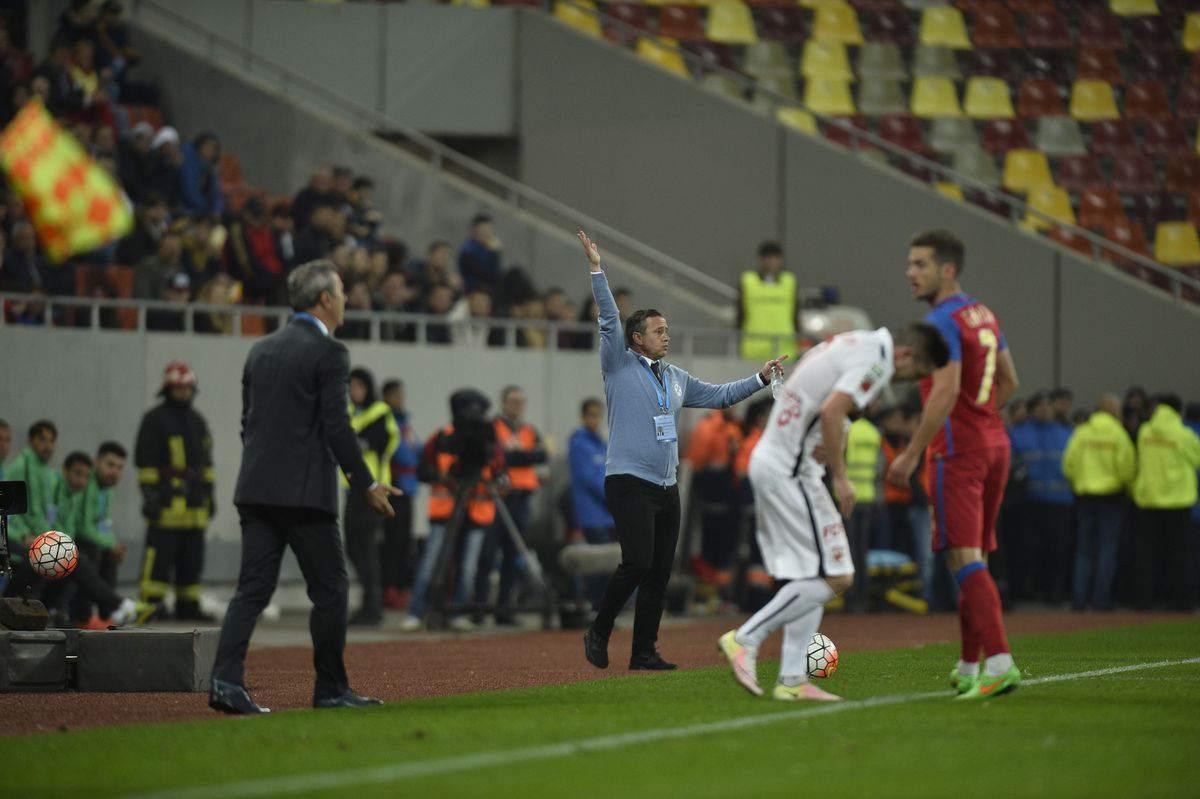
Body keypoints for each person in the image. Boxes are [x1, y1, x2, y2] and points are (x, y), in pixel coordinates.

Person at [576, 230, 785, 672]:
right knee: (636, 563)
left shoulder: (675, 377)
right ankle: (599, 629)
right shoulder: (618, 363)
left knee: (659, 572)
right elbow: (610, 318)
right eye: (658, 331)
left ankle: (643, 651)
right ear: (637, 338)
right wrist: (597, 270)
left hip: (666, 485)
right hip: (629, 481)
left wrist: (760, 378)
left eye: (667, 330)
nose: (666, 336)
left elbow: (720, 396)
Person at [718, 323, 949, 700]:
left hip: (788, 465)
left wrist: (825, 435)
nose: (908, 380)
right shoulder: (877, 362)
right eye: (915, 373)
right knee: (838, 576)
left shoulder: (850, 342)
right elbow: (831, 409)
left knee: (815, 576)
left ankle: (793, 680)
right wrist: (840, 476)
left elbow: (811, 394)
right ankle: (746, 638)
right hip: (790, 471)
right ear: (906, 355)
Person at [210, 259, 400, 715]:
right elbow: (338, 427)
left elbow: (248, 423)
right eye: (342, 291)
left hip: (255, 488)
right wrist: (366, 483)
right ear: (325, 299)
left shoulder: (260, 350)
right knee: (332, 589)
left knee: (252, 590)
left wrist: (267, 467)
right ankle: (330, 689)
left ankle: (225, 682)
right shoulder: (330, 352)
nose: (347, 299)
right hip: (305, 495)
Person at [886, 229, 1022, 701]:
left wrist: (911, 452)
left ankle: (999, 663)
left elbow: (944, 391)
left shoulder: (941, 321)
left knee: (963, 559)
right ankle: (967, 666)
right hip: (994, 445)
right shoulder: (982, 312)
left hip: (957, 452)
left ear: (947, 269)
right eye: (910, 263)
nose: (910, 273)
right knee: (972, 558)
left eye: (920, 264)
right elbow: (1010, 380)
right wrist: (982, 420)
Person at [402, 391, 506, 633]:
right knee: (430, 563)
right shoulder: (442, 437)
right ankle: (416, 612)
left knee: (468, 567)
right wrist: (442, 477)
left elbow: (501, 470)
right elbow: (422, 470)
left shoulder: (489, 438)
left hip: (477, 511)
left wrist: (501, 482)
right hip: (445, 511)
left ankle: (458, 612)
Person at [134, 361, 215, 621]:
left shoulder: (197, 421)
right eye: (179, 388)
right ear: (168, 389)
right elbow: (146, 462)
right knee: (158, 561)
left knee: (192, 562)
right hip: (166, 506)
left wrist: (210, 495)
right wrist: (150, 496)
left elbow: (206, 464)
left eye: (188, 388)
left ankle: (188, 607)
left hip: (195, 507)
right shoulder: (155, 420)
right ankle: (150, 607)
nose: (184, 392)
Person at [475, 386, 548, 624]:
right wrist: (524, 456)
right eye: (512, 401)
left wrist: (515, 456)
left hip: (522, 500)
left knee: (513, 555)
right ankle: (479, 608)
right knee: (487, 555)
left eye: (520, 402)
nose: (517, 406)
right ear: (503, 402)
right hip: (497, 499)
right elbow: (499, 457)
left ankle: (504, 610)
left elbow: (542, 455)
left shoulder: (529, 430)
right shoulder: (493, 428)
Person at [1062, 394, 1135, 612]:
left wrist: (1080, 482)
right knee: (1107, 549)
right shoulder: (1118, 434)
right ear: (1113, 411)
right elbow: (1127, 469)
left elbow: (1068, 465)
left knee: (1083, 549)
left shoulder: (1082, 432)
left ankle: (1079, 599)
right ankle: (1101, 599)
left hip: (1085, 497)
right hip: (1111, 497)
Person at [1130, 394, 1200, 611]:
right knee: (1179, 554)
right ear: (1178, 411)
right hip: (1178, 501)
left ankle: (1142, 601)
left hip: (1149, 500)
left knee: (1147, 554)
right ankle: (1181, 602)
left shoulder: (1145, 432)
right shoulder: (1184, 434)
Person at [344, 367, 400, 626]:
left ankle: (372, 606)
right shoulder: (351, 413)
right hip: (352, 489)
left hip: (372, 490)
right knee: (353, 546)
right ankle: (370, 599)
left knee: (366, 548)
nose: (353, 391)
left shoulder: (379, 411)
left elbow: (378, 442)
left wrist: (351, 441)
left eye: (358, 386)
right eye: (350, 386)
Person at [1008, 392, 1074, 604]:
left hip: (1060, 500)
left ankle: (1053, 591)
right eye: (1040, 405)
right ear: (1032, 410)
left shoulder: (1067, 434)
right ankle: (1027, 589)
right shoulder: (1017, 434)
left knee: (1058, 549)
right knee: (1028, 548)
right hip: (1029, 501)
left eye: (1048, 405)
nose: (1045, 409)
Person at [71, 441, 130, 626]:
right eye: (110, 465)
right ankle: (83, 616)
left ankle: (107, 615)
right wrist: (110, 544)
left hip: (88, 539)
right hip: (72, 538)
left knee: (110, 555)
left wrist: (114, 545)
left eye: (119, 467)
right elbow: (83, 527)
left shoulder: (107, 491)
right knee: (92, 550)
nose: (115, 472)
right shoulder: (88, 485)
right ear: (97, 462)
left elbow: (104, 526)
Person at [568, 398, 615, 607]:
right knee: (598, 565)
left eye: (598, 415)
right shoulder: (579, 443)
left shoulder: (601, 443)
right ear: (583, 416)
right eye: (591, 415)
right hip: (592, 515)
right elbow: (589, 479)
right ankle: (595, 606)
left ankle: (603, 606)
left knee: (609, 564)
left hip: (607, 515)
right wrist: (614, 496)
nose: (595, 419)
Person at [381, 380, 419, 610]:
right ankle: (389, 588)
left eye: (401, 394)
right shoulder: (389, 422)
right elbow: (402, 454)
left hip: (409, 487)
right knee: (393, 541)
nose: (400, 398)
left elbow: (416, 451)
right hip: (393, 485)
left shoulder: (405, 424)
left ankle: (402, 587)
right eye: (395, 394)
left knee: (405, 541)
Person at [842, 406, 882, 611]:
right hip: (867, 496)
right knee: (862, 548)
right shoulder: (873, 432)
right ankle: (862, 596)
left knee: (848, 549)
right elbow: (880, 468)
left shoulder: (845, 429)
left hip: (846, 497)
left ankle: (850, 596)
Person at [737, 241, 797, 362]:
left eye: (774, 257)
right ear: (760, 259)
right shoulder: (748, 281)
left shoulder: (789, 281)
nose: (770, 261)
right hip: (753, 350)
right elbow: (740, 315)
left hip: (784, 350)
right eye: (767, 257)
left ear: (780, 260)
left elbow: (796, 314)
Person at [458, 214, 503, 293]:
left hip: (490, 288)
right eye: (483, 229)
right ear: (474, 231)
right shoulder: (467, 251)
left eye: (488, 229)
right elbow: (489, 275)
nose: (487, 233)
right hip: (475, 290)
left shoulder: (485, 248)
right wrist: (494, 253)